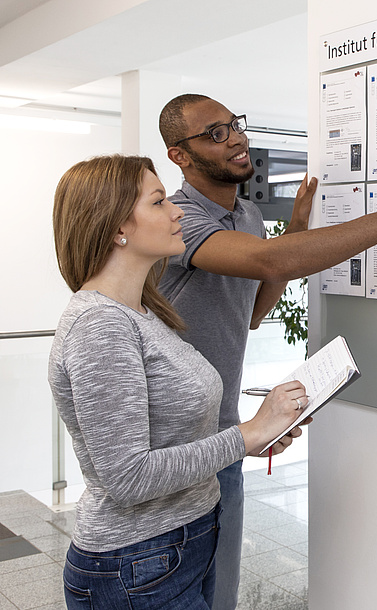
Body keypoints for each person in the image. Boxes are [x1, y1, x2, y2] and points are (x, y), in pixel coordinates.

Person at [158, 92, 377, 610]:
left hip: (224, 435)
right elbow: (266, 261)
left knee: (220, 594)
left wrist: (296, 237)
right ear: (180, 154)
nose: (237, 138)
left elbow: (253, 312)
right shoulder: (176, 221)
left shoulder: (247, 215)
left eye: (235, 124)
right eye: (215, 133)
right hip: (172, 448)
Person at [48, 154, 310, 610]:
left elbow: (170, 435)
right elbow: (128, 477)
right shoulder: (100, 327)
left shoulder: (143, 312)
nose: (178, 212)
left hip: (180, 543)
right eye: (159, 201)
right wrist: (246, 436)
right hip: (136, 563)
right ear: (116, 229)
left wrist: (253, 437)